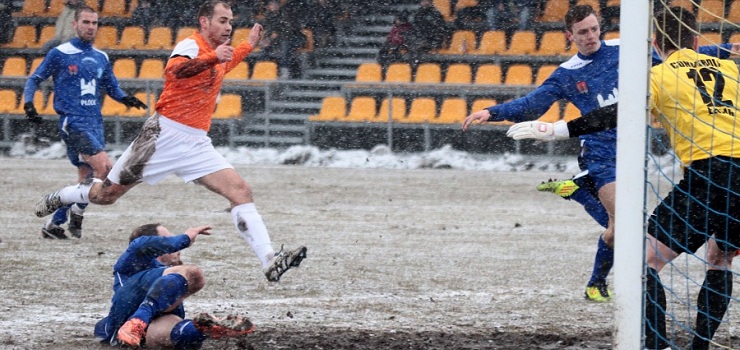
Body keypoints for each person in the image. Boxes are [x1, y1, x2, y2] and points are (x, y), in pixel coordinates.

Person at [461, 4, 739, 303]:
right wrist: (493, 111)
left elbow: (681, 54)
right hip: (601, 154)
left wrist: (727, 49)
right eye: (583, 32)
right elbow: (532, 104)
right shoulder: (567, 74)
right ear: (570, 36)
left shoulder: (628, 48)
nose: (591, 36)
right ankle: (601, 274)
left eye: (594, 29)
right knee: (629, 224)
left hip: (634, 153)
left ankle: (584, 222)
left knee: (618, 230)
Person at [34, 0, 307, 282]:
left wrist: (246, 46)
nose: (228, 27)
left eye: (230, 21)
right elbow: (174, 71)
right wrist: (214, 57)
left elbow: (224, 64)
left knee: (241, 191)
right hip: (162, 137)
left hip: (195, 142)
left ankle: (269, 261)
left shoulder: (214, 53)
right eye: (223, 20)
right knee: (107, 195)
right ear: (204, 22)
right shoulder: (191, 45)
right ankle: (63, 196)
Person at [25, 5, 148, 240]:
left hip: (95, 121)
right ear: (75, 24)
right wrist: (29, 104)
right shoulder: (60, 53)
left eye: (94, 23)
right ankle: (73, 212)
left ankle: (54, 224)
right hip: (73, 122)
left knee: (89, 179)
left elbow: (111, 86)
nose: (91, 27)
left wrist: (126, 98)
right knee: (104, 169)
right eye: (86, 22)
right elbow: (35, 78)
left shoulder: (101, 56)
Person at [95, 223, 255, 348]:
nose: (176, 248)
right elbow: (140, 244)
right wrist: (184, 238)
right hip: (127, 309)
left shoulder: (169, 281)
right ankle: (139, 319)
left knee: (182, 337)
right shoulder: (133, 265)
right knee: (194, 275)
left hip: (134, 332)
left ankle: (205, 329)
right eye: (167, 241)